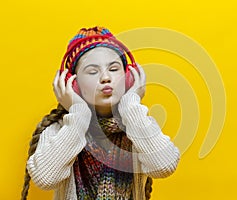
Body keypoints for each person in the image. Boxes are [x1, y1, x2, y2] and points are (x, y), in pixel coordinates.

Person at [21, 26, 180, 200]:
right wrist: (79, 114)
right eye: (92, 71)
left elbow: (164, 166)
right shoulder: (59, 130)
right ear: (73, 84)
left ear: (128, 78)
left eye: (113, 69)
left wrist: (131, 106)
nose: (105, 78)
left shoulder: (137, 124)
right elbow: (45, 179)